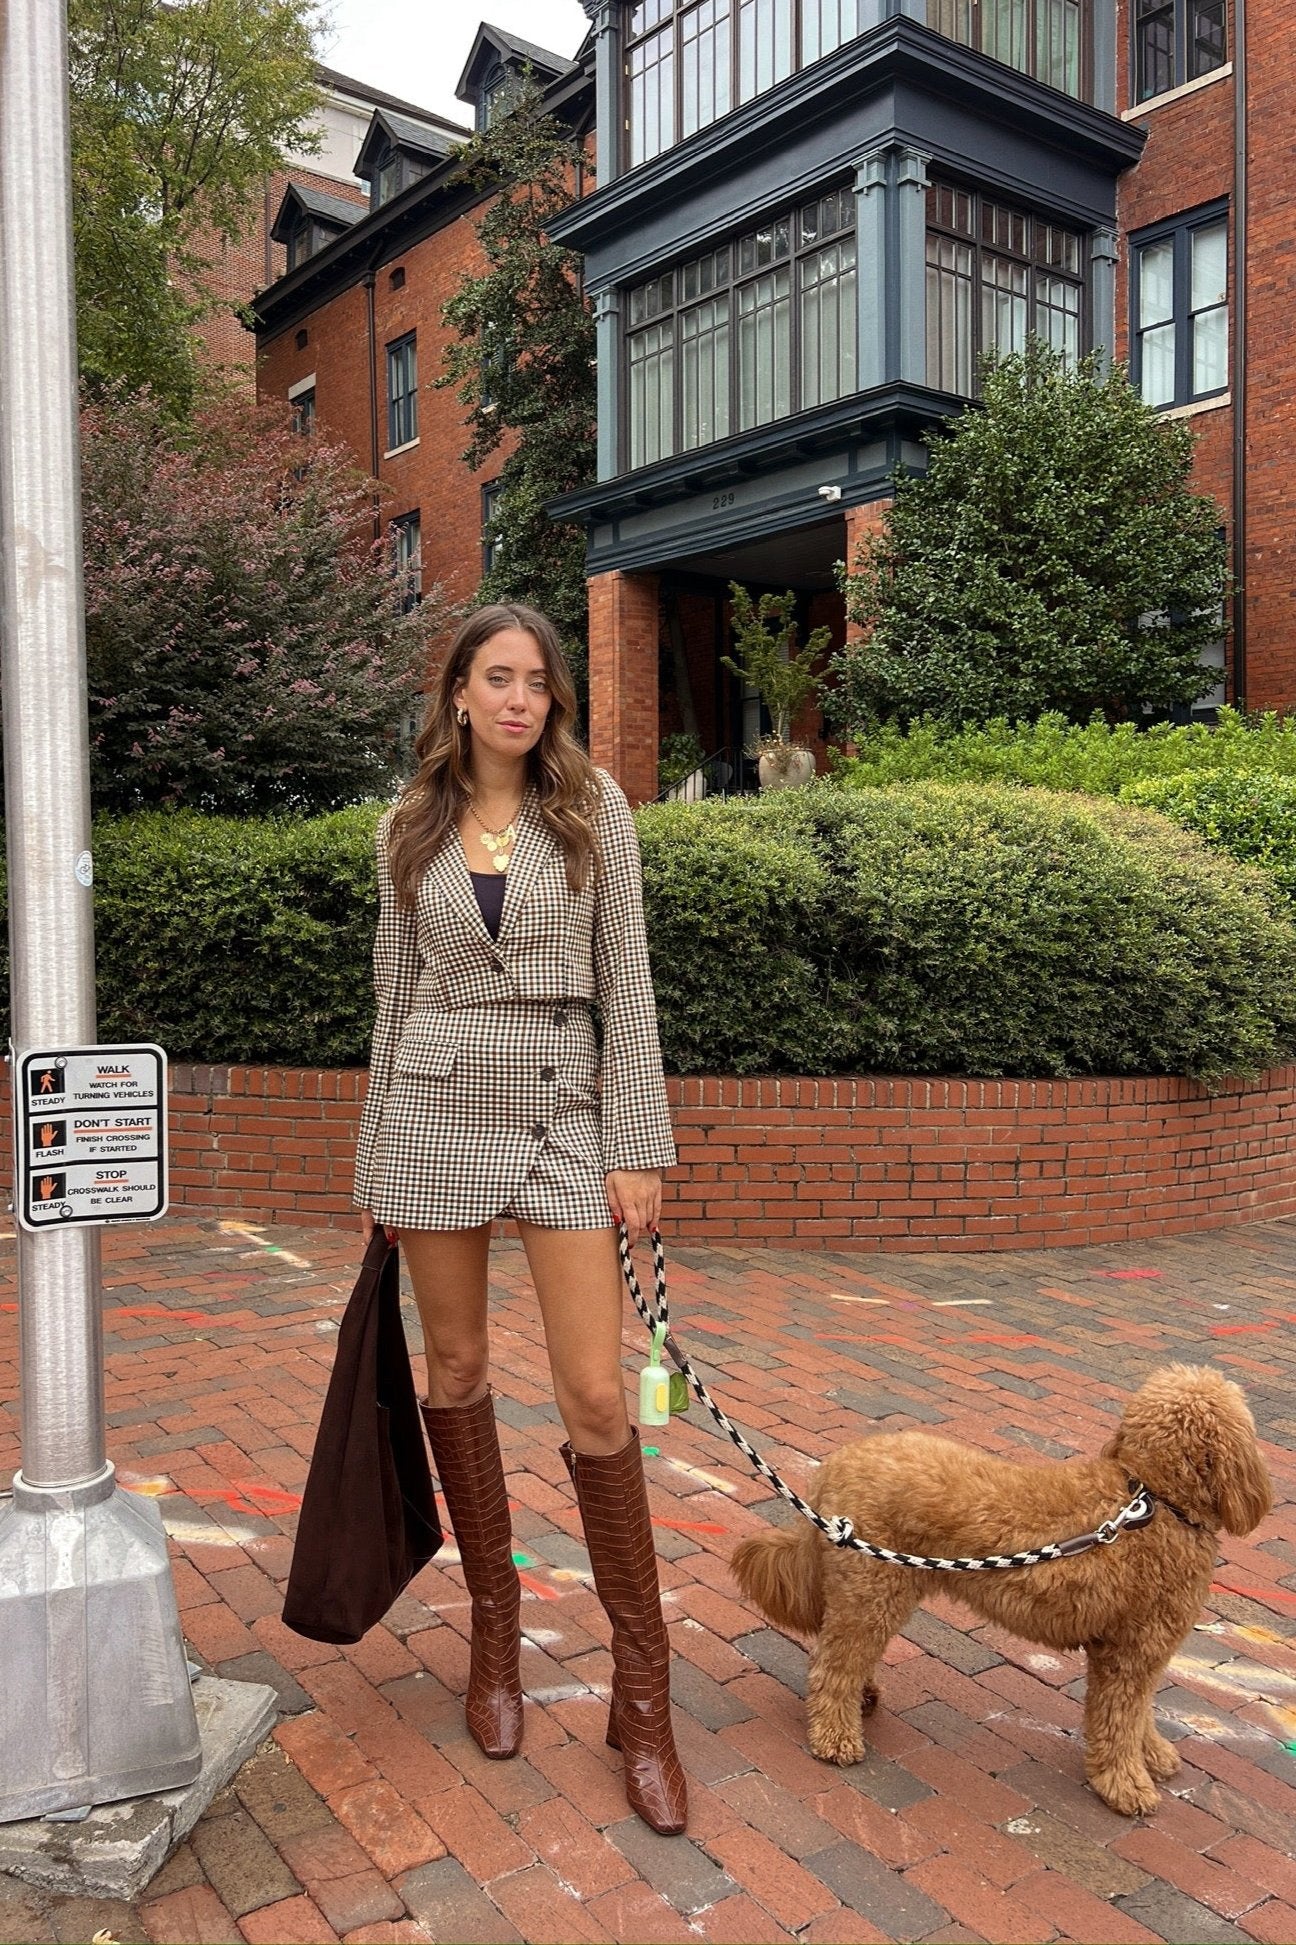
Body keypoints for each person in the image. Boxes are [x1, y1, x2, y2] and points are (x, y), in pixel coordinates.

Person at [354, 603, 686, 1835]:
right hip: (435, 1116)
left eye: (537, 682)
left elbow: (632, 992)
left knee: (596, 1394)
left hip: (562, 1111)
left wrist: (638, 1146)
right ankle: (495, 1630)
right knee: (457, 1366)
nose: (518, 700)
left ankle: (641, 1689)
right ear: (456, 694)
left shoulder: (594, 810)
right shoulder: (411, 825)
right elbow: (391, 1003)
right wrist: (375, 1155)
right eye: (497, 678)